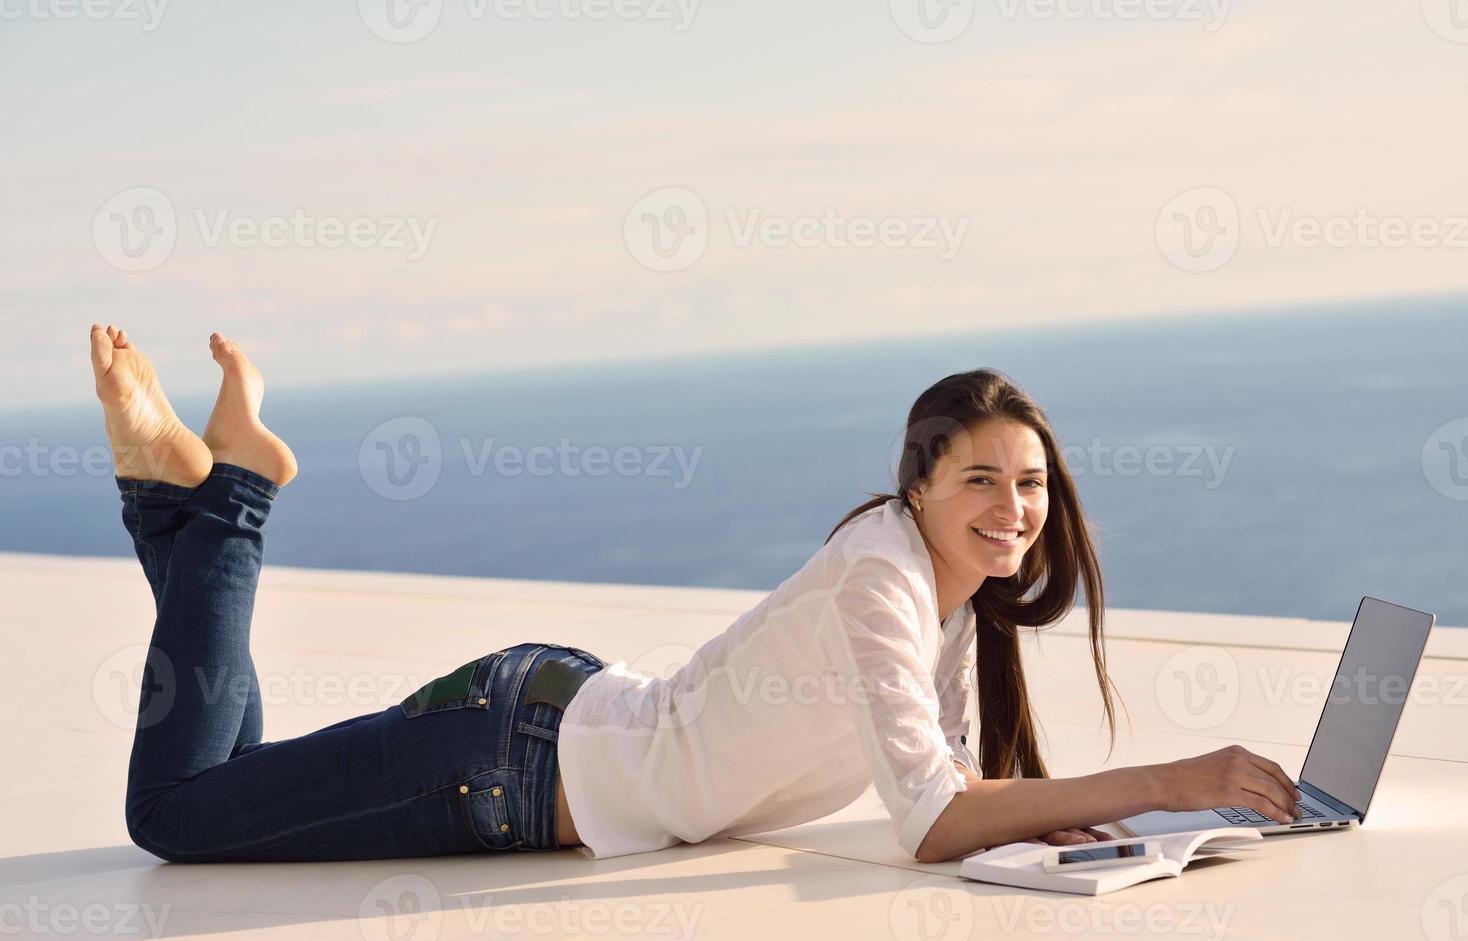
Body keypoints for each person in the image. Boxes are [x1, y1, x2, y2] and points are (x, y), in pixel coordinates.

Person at [91, 323, 1300, 864]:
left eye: (1029, 481)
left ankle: (178, 493)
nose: (1014, 507)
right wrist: (1172, 782)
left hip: (537, 731)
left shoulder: (937, 593)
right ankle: (231, 495)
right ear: (918, 484)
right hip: (508, 762)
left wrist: (1063, 819)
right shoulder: (881, 574)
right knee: (180, 816)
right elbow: (928, 823)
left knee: (229, 783)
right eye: (981, 477)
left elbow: (956, 789)